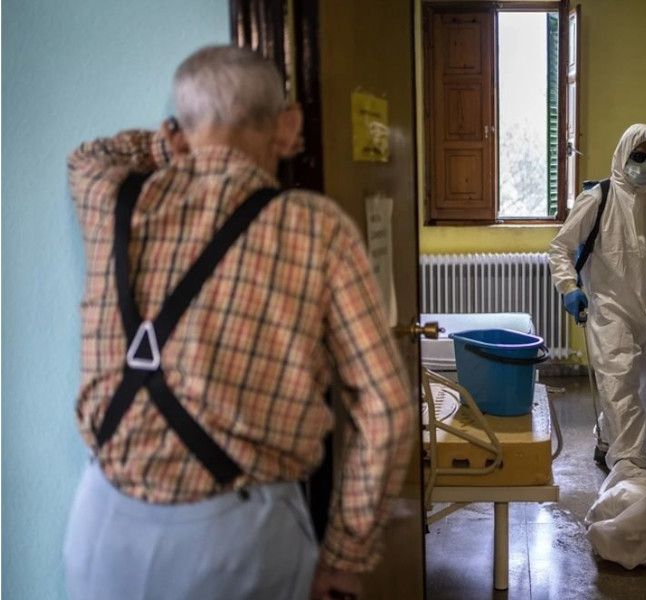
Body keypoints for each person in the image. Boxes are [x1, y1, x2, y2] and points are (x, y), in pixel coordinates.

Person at [62, 45, 414, 600]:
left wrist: (167, 143)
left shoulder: (114, 199)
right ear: (288, 124)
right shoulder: (316, 227)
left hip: (102, 523)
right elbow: (388, 410)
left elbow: (88, 155)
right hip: (235, 542)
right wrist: (345, 558)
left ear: (180, 126)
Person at [548, 123, 646, 470]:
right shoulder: (598, 199)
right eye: (639, 156)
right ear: (623, 154)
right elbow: (560, 247)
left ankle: (608, 438)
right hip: (610, 309)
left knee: (643, 387)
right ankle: (631, 470)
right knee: (619, 384)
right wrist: (569, 288)